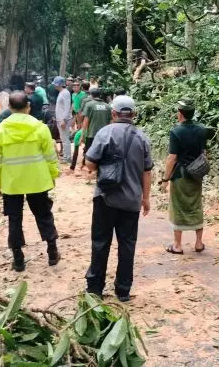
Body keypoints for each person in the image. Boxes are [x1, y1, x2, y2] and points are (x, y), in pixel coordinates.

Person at [84, 95, 152, 302]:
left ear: (113, 113)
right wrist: (145, 198)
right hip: (131, 201)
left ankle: (95, 288)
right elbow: (146, 172)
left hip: (105, 198)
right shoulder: (142, 137)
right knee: (127, 244)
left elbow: (90, 163)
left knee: (100, 242)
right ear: (133, 114)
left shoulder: (105, 133)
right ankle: (123, 290)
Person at [0, 91, 61, 272]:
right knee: (44, 215)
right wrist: (53, 175)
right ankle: (52, 252)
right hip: (37, 181)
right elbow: (50, 156)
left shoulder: (0, 130)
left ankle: (18, 258)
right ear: (28, 107)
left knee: (14, 219)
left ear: (10, 108)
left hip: (11, 183)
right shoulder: (40, 128)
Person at [159, 99, 215, 254]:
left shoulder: (176, 131)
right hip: (196, 174)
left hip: (180, 174)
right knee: (196, 205)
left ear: (180, 113)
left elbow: (172, 158)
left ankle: (177, 245)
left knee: (178, 207)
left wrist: (165, 180)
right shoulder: (202, 129)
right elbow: (204, 153)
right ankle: (198, 243)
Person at [81, 87, 112, 159]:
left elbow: (86, 120)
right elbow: (111, 121)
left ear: (91, 95)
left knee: (89, 153)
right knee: (102, 153)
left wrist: (82, 134)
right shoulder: (107, 106)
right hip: (104, 134)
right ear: (100, 95)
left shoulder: (89, 105)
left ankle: (89, 168)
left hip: (91, 134)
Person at [52, 76, 73, 163]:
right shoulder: (61, 92)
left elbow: (67, 107)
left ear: (59, 85)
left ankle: (67, 158)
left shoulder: (65, 93)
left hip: (63, 120)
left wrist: (64, 119)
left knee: (65, 139)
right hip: (60, 119)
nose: (54, 85)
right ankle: (65, 156)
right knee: (63, 138)